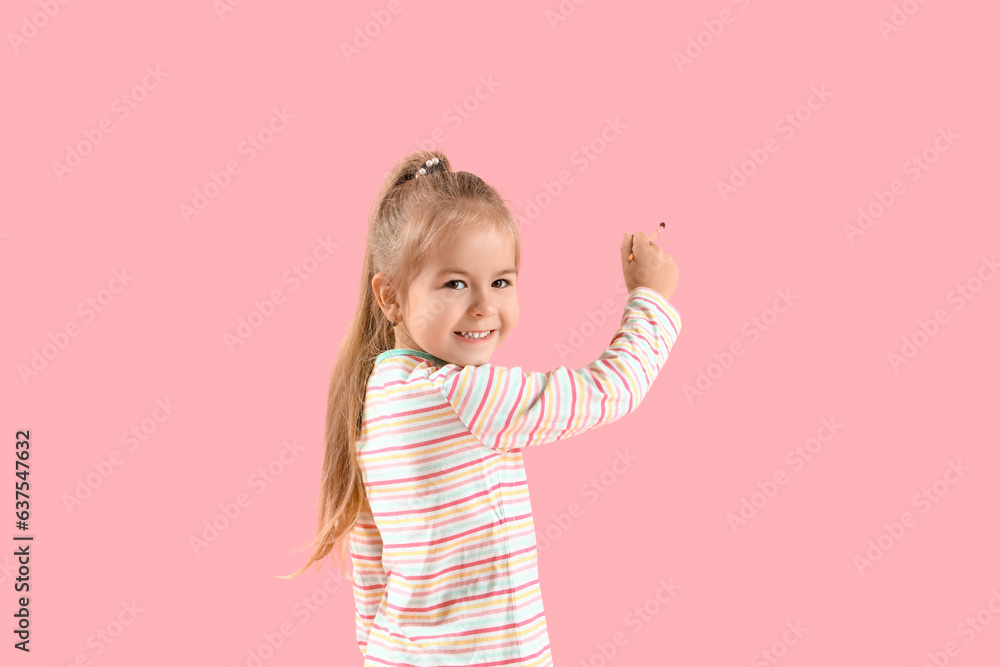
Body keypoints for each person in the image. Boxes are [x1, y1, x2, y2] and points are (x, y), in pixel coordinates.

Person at [286, 149, 681, 665]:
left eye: (500, 282)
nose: (483, 307)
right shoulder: (465, 394)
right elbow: (610, 390)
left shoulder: (375, 395)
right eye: (455, 283)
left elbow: (371, 564)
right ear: (390, 298)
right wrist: (650, 297)